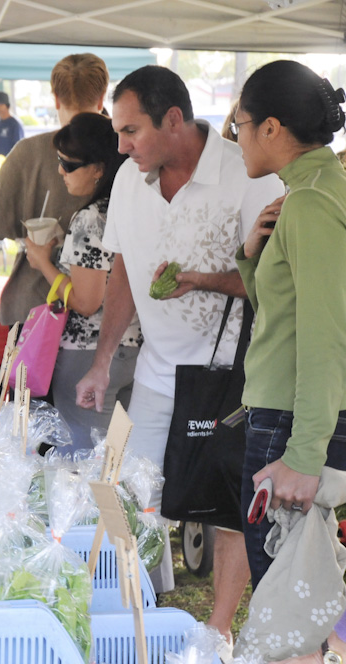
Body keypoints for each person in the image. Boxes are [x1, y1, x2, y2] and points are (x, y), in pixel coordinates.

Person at [73, 65, 284, 649]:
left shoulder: (247, 174)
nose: (121, 146)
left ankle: (218, 633)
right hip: (156, 374)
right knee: (124, 494)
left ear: (173, 119)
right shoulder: (126, 181)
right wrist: (102, 359)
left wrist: (202, 279)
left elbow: (275, 280)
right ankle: (130, 611)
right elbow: (122, 270)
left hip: (235, 378)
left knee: (228, 508)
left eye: (131, 131)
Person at [230, 60, 346, 662]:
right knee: (300, 602)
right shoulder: (312, 193)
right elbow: (290, 316)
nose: (235, 137)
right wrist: (252, 259)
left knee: (289, 607)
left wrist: (303, 456)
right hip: (291, 416)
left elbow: (328, 338)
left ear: (271, 127)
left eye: (239, 124)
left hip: (290, 423)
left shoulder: (312, 204)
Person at [21, 113, 139, 453]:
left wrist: (43, 262)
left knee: (80, 459)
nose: (60, 171)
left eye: (69, 165)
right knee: (116, 456)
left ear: (99, 168)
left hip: (88, 353)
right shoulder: (129, 208)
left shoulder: (90, 218)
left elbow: (87, 302)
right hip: (131, 348)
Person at [0, 53, 110, 328]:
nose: (63, 171)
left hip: (37, 307)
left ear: (56, 98)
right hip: (113, 317)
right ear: (102, 96)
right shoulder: (128, 150)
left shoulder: (29, 152)